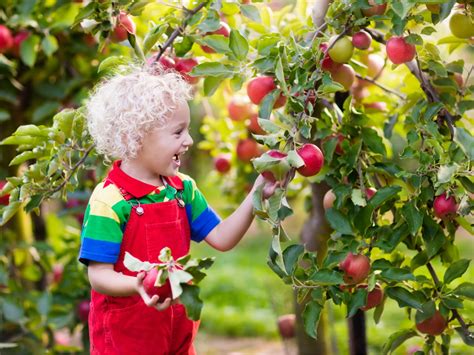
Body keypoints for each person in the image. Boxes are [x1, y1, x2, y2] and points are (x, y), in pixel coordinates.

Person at [79, 63, 269, 354]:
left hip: (177, 330)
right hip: (127, 338)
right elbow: (99, 275)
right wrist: (137, 285)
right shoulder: (110, 200)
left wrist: (257, 194)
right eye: (178, 132)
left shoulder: (182, 189)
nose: (189, 140)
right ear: (135, 138)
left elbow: (222, 238)